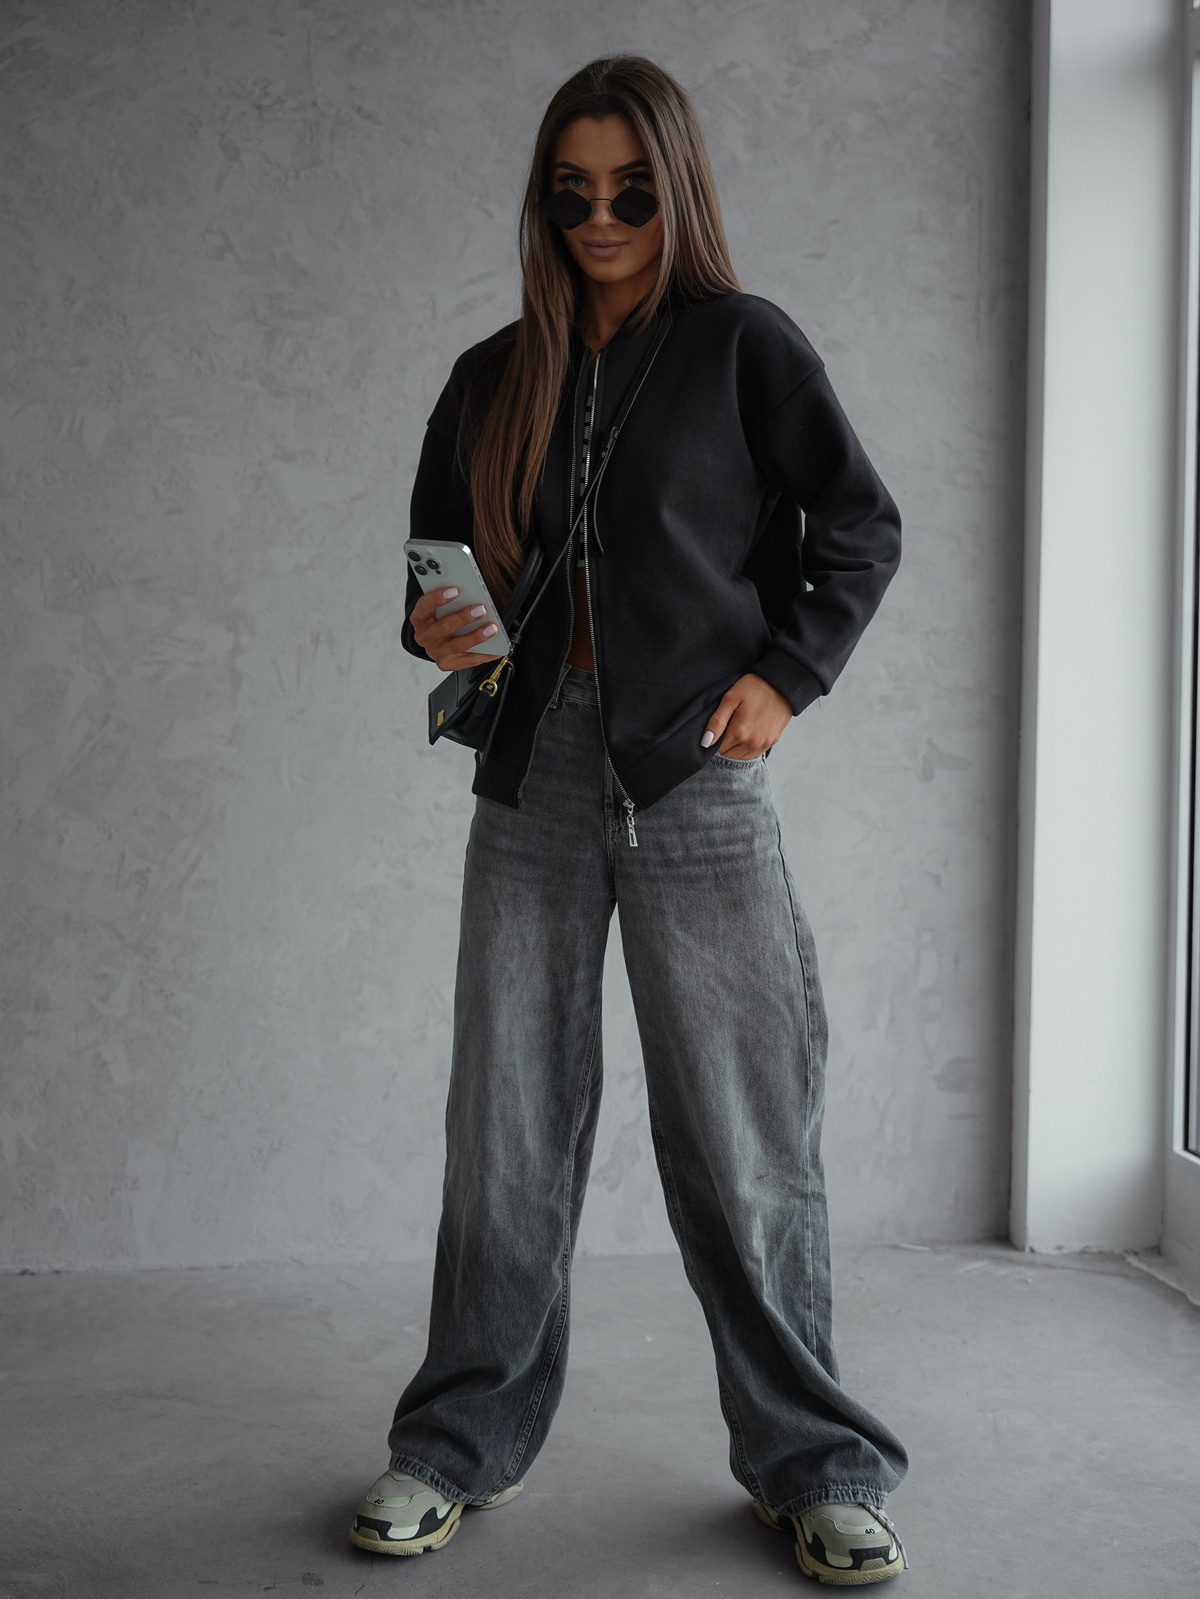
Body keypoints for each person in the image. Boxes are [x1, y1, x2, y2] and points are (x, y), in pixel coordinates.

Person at [349, 54, 911, 1586]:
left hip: (695, 778)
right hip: (533, 774)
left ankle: (818, 1466)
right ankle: (454, 1444)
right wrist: (438, 623)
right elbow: (436, 566)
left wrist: (787, 677)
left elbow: (859, 526)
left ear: (679, 191)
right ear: (544, 202)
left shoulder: (743, 347)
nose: (600, 218)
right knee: (506, 1130)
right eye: (573, 192)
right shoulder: (493, 373)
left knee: (745, 1138)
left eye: (633, 192)